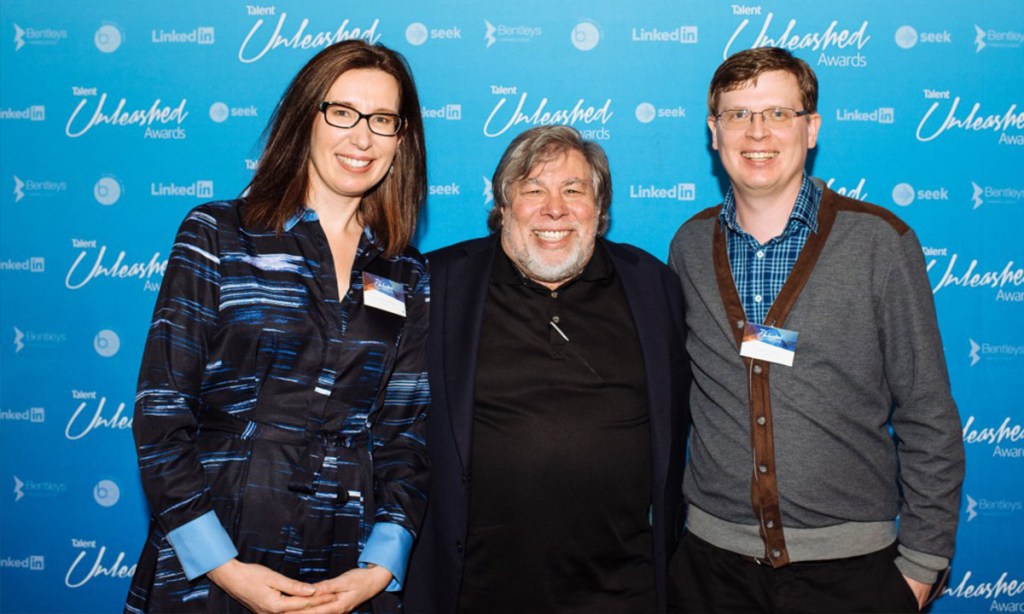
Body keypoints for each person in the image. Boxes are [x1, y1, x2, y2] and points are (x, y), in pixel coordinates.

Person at [126, 40, 429, 614]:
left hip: (346, 573)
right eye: (342, 112)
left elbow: (405, 435)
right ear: (305, 117)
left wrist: (380, 566)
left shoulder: (405, 273)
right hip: (212, 568)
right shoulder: (217, 235)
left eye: (383, 120)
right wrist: (224, 568)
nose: (361, 137)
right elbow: (162, 414)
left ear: (401, 138)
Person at [667, 47, 965, 613]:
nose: (758, 132)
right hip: (711, 573)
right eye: (738, 115)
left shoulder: (880, 243)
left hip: (851, 577)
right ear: (714, 131)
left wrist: (922, 568)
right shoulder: (687, 246)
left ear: (811, 129)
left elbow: (929, 414)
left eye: (779, 113)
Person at [404, 125, 690, 614]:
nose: (554, 209)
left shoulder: (653, 286)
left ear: (600, 211)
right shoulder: (436, 284)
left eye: (574, 190)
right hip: (475, 591)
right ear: (503, 207)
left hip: (625, 591)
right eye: (533, 189)